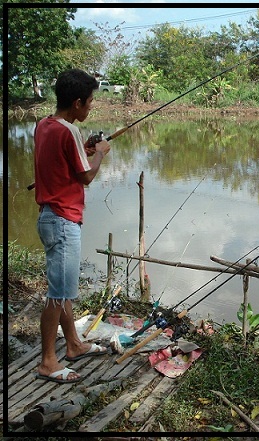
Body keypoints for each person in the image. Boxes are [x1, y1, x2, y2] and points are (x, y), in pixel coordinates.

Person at [34, 69, 111, 383]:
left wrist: (86, 151)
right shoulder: (70, 133)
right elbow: (85, 177)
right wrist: (100, 154)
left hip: (49, 216)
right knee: (57, 293)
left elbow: (62, 160)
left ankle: (75, 345)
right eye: (90, 101)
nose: (92, 106)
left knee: (62, 289)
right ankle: (48, 361)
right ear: (77, 102)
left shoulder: (45, 125)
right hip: (64, 220)